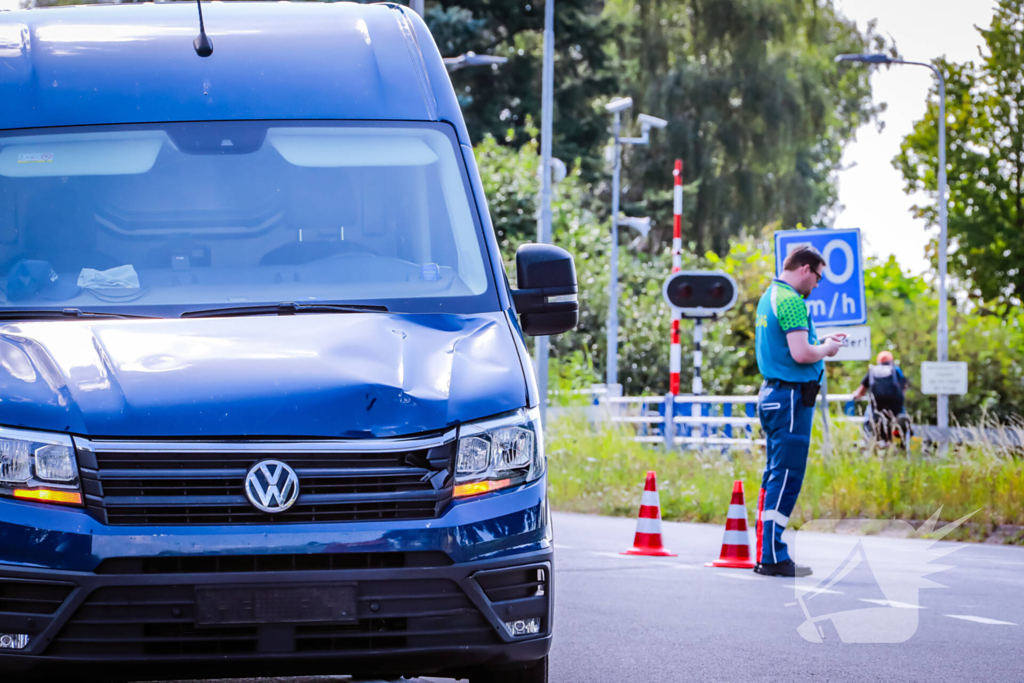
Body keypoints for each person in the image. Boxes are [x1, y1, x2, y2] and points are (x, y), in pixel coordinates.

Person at [753, 245, 843, 578]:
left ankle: (766, 551)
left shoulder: (770, 296)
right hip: (790, 397)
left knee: (775, 474)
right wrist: (828, 349)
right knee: (787, 476)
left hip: (776, 393)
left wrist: (822, 342)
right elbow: (803, 353)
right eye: (818, 277)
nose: (817, 285)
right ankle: (773, 555)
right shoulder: (791, 301)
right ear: (805, 269)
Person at [853, 351, 910, 445]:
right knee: (902, 418)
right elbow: (903, 388)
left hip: (877, 409)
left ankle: (867, 441)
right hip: (896, 408)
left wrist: (856, 395)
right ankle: (904, 444)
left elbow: (861, 391)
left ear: (879, 361)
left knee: (868, 415)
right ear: (891, 360)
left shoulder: (873, 370)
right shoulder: (896, 370)